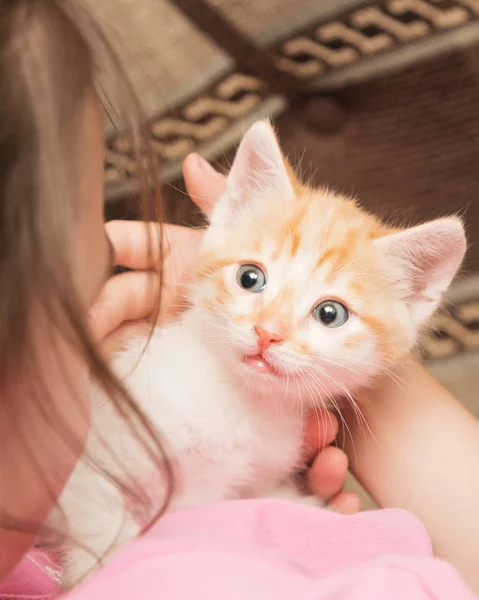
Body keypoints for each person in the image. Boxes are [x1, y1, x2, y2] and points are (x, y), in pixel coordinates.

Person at [0, 1, 478, 599]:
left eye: (328, 314)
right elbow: (80, 476)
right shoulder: (146, 384)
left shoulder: (285, 436)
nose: (270, 330)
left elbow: (202, 514)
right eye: (252, 279)